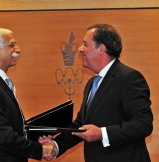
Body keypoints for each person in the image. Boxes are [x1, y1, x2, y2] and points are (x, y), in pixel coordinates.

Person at [39, 24, 153, 162]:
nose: (80, 49)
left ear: (101, 48)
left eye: (85, 44)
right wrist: (56, 145)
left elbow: (143, 124)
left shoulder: (128, 78)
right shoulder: (92, 83)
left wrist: (102, 134)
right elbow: (81, 125)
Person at [0, 27, 55, 162]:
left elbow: (8, 126)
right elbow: (3, 135)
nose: (18, 49)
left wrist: (35, 137)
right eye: (12, 45)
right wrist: (39, 149)